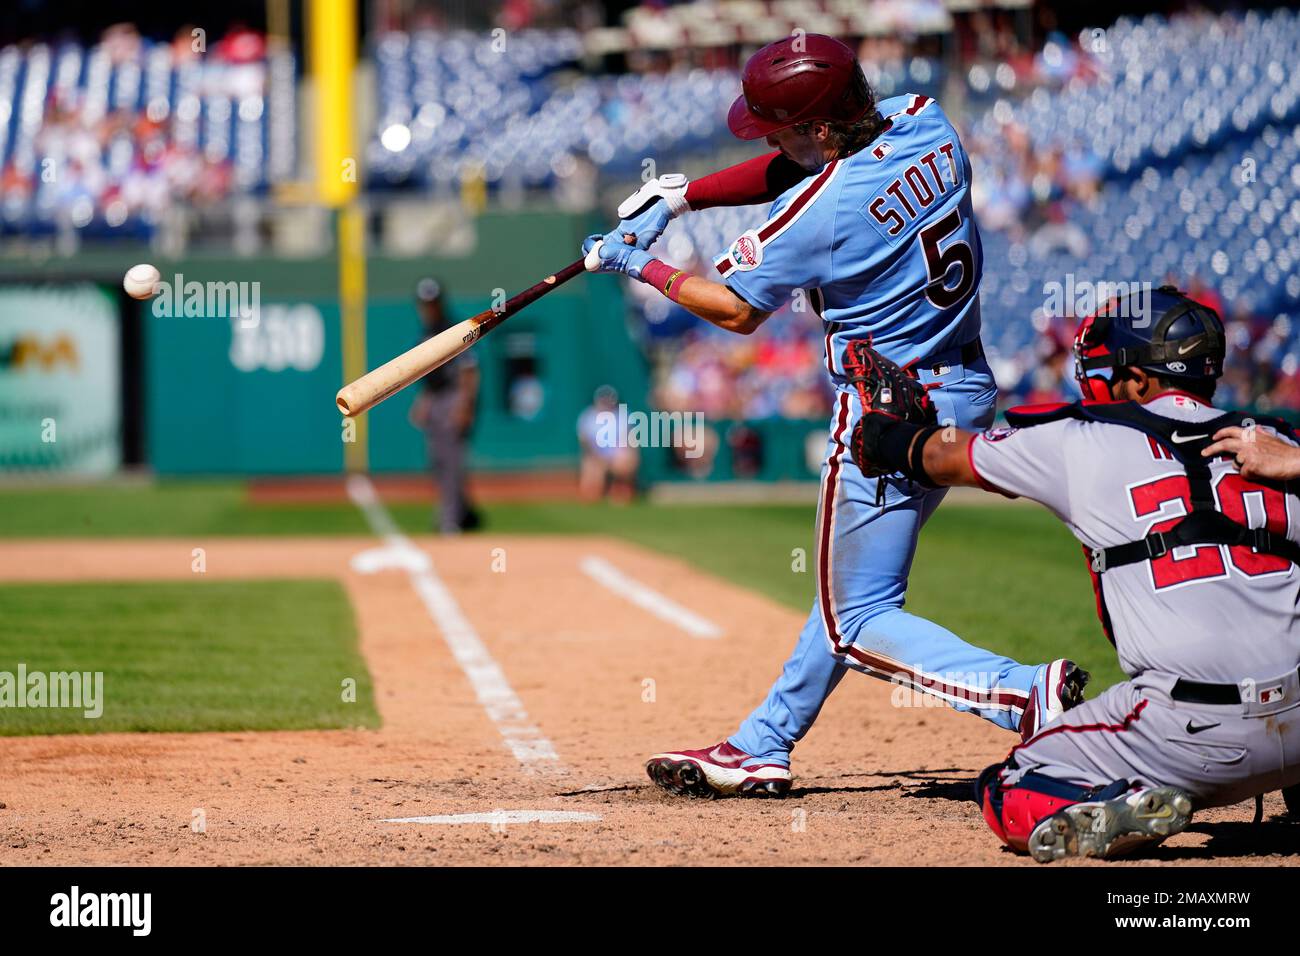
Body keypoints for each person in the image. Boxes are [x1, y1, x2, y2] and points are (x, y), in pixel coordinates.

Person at [583, 34, 1087, 797]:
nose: (774, 141)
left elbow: (732, 307)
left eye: (784, 127)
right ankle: (763, 742)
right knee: (852, 593)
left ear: (820, 129)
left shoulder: (819, 213)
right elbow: (797, 162)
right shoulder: (926, 119)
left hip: (890, 414)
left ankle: (1024, 694)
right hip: (964, 385)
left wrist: (640, 263)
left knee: (858, 617)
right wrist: (686, 196)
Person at [852, 285, 1300, 860]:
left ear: (1137, 380)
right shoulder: (1277, 442)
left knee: (1012, 783)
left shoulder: (1081, 439)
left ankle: (1115, 801)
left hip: (1190, 732)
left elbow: (943, 458)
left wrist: (886, 435)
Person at [406, 278, 480, 533]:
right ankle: (461, 512)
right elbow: (429, 378)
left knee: (451, 461)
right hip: (436, 398)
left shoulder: (455, 329)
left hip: (453, 397)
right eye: (425, 303)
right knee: (437, 460)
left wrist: (465, 405)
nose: (429, 308)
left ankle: (452, 519)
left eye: (433, 303)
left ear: (441, 303)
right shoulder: (424, 333)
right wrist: (423, 401)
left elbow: (469, 370)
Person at [576, 386, 639, 502]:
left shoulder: (623, 416)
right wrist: (599, 458)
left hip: (617, 456)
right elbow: (585, 443)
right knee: (590, 491)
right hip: (595, 457)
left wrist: (616, 457)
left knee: (626, 459)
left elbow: (628, 442)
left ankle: (621, 489)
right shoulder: (587, 416)